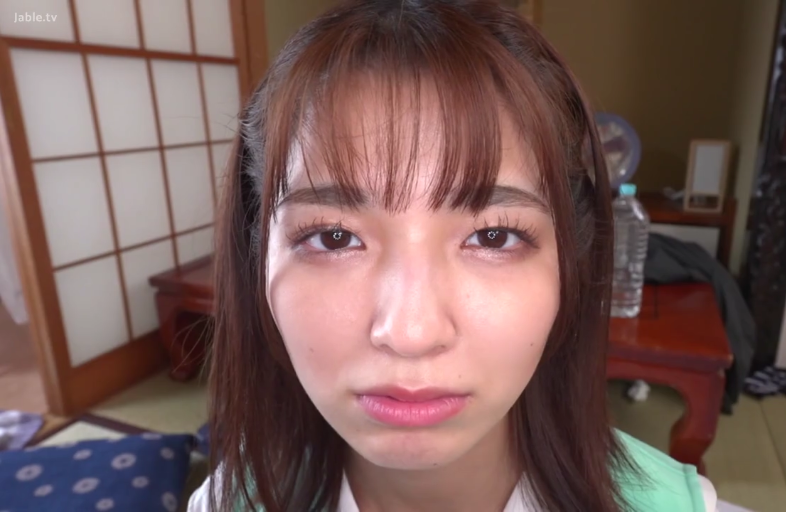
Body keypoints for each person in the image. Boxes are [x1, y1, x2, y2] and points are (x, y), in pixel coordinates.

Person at [189, 0, 717, 510]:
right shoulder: (221, 503)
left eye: (493, 237)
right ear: (256, 257)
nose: (411, 334)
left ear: (569, 262)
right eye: (334, 237)